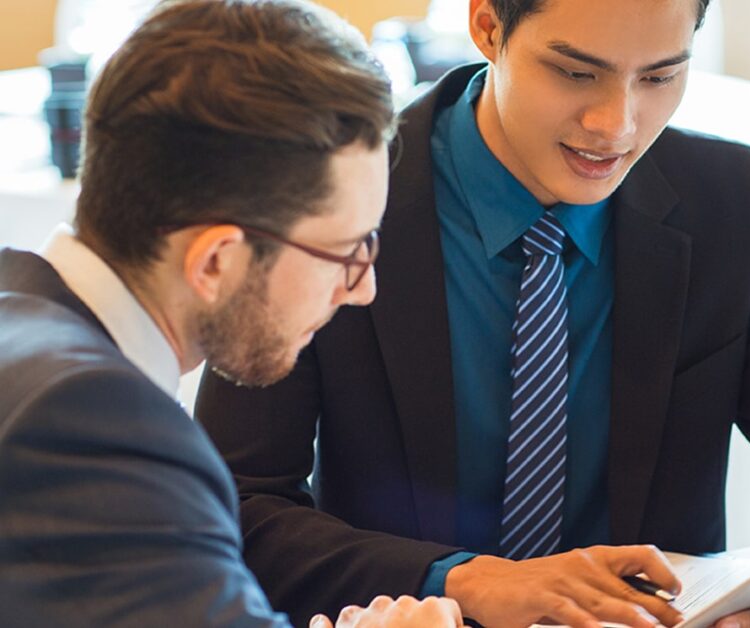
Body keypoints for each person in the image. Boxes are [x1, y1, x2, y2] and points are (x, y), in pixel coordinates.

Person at [196, 0, 750, 626]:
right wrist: (464, 580)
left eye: (659, 76)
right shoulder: (337, 192)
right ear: (487, 26)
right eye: (576, 72)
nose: (616, 124)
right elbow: (236, 508)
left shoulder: (730, 199)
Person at [0, 1, 464, 626]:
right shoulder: (94, 424)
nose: (362, 290)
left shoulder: (22, 313)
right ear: (217, 261)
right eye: (345, 252)